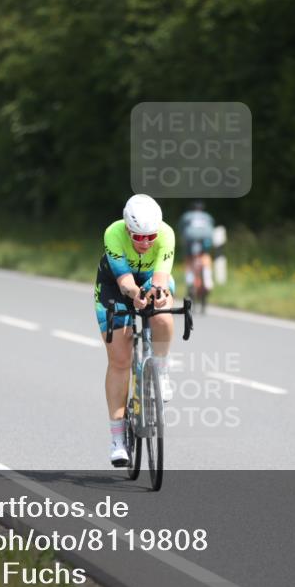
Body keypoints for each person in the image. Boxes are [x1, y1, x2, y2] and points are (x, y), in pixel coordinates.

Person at [95, 194, 176, 467]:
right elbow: (125, 281)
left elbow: (162, 277)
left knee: (163, 316)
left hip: (151, 277)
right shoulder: (113, 233)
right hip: (115, 284)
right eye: (138, 237)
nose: (145, 243)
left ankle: (161, 369)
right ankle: (118, 439)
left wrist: (158, 294)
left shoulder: (166, 234)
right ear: (127, 230)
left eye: (150, 237)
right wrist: (134, 295)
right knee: (120, 360)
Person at [177, 200, 215, 293]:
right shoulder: (207, 216)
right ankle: (208, 282)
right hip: (205, 239)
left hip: (190, 239)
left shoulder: (187, 216)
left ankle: (190, 281)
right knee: (205, 256)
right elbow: (212, 227)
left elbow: (180, 228)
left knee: (189, 259)